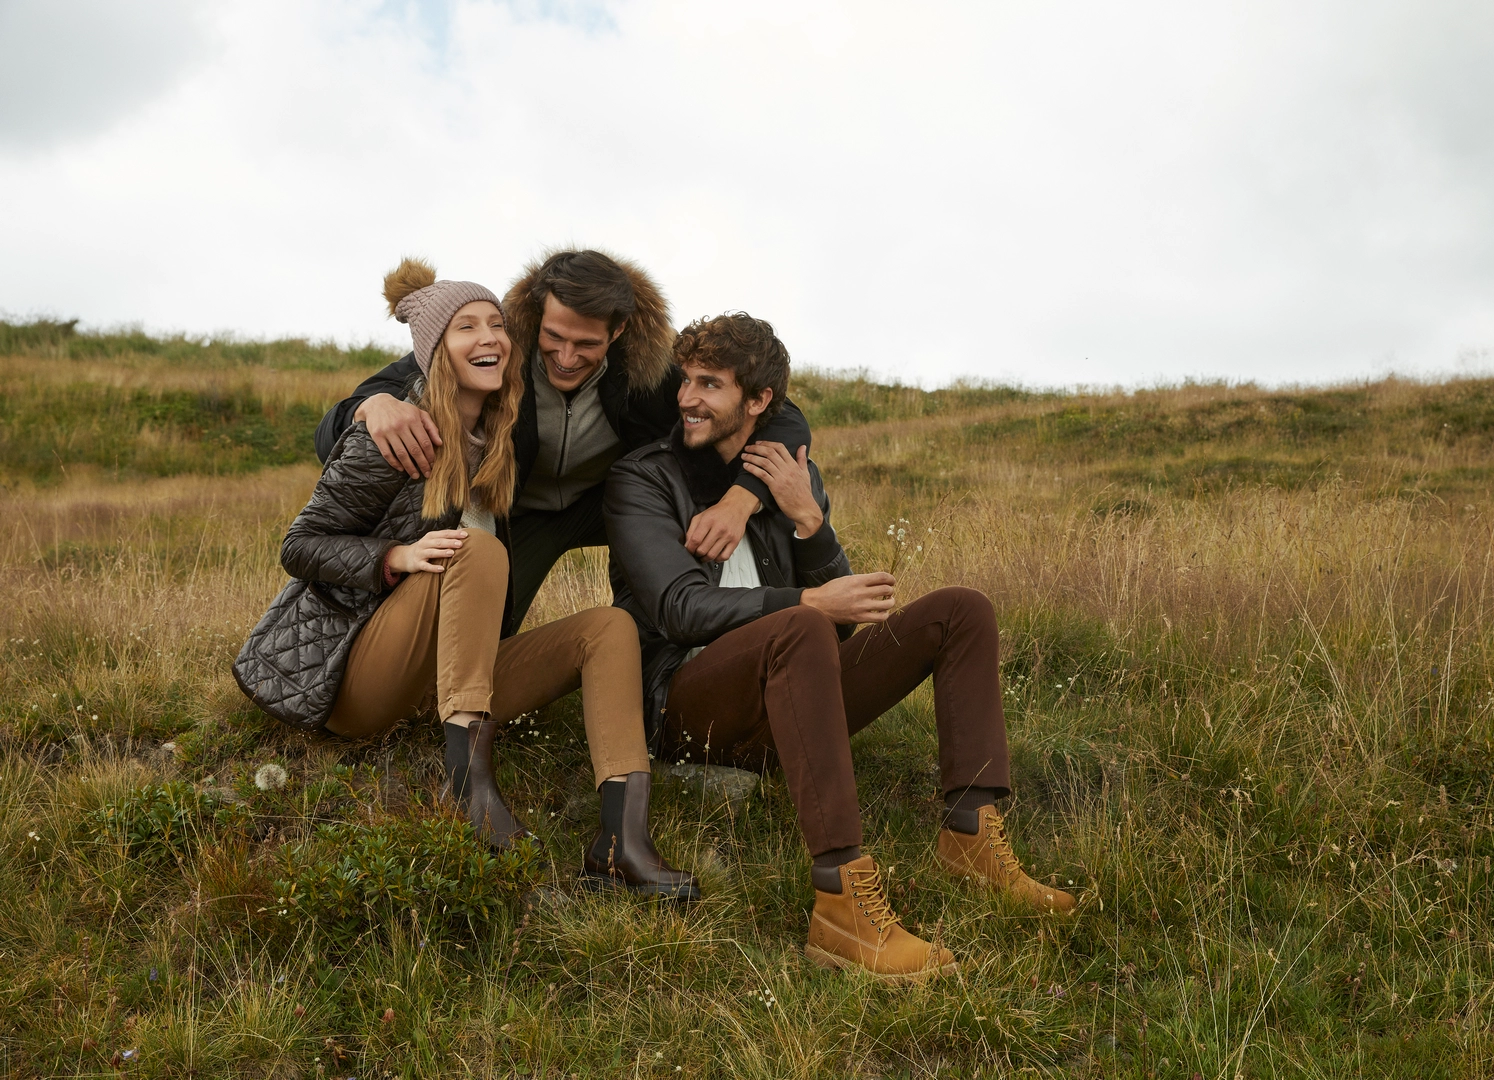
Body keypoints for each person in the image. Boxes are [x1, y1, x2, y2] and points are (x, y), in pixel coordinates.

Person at [603, 313, 1076, 983]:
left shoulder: (789, 474)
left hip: (790, 694)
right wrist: (805, 605)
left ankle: (971, 836)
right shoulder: (640, 480)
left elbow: (842, 621)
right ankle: (840, 901)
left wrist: (810, 523)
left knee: (961, 611)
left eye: (709, 384)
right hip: (686, 704)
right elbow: (678, 609)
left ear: (758, 400)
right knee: (800, 623)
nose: (686, 399)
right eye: (685, 380)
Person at [246, 259, 694, 900]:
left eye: (494, 326)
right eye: (465, 328)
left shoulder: (507, 439)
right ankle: (466, 790)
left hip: (449, 680)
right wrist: (393, 555)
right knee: (476, 552)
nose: (487, 337)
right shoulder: (399, 430)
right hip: (361, 674)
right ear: (435, 352)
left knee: (609, 627)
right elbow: (299, 544)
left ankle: (622, 842)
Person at [313, 249, 813, 636]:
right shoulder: (496, 347)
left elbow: (783, 418)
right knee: (490, 632)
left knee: (672, 575)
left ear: (617, 332)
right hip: (518, 511)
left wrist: (739, 500)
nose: (567, 356)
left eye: (587, 344)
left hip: (610, 502)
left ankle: (656, 657)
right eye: (555, 337)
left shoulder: (652, 364)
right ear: (536, 317)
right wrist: (369, 406)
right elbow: (337, 425)